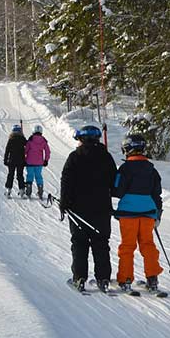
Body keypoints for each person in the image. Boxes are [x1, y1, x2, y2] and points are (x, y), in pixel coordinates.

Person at [59, 124, 117, 293]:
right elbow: (114, 182)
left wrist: (65, 203)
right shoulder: (106, 157)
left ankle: (79, 278)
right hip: (101, 209)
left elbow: (66, 181)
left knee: (79, 244)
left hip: (78, 210)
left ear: (81, 139)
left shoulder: (74, 157)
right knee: (101, 243)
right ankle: (103, 279)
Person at [113, 134, 164, 294]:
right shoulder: (151, 169)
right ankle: (152, 279)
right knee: (148, 245)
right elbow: (157, 194)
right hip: (148, 213)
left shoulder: (124, 168)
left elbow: (117, 190)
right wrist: (158, 214)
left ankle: (126, 279)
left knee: (128, 246)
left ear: (127, 149)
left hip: (128, 213)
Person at [23, 125, 50, 198]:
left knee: (30, 175)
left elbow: (25, 150)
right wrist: (46, 160)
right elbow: (47, 151)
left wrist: (23, 158)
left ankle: (28, 191)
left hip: (29, 162)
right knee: (38, 176)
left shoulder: (30, 140)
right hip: (39, 162)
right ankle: (40, 191)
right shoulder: (44, 141)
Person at [3, 125, 27, 199]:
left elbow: (7, 151)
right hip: (21, 161)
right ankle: (22, 190)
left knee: (10, 175)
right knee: (20, 175)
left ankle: (8, 190)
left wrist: (5, 159)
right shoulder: (23, 139)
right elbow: (27, 147)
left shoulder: (11, 139)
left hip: (12, 161)